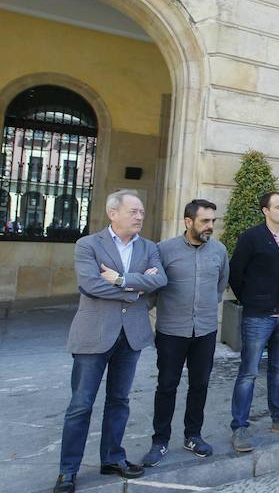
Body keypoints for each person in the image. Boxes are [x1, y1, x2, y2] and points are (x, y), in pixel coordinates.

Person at [54, 190, 167, 493]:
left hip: (131, 336)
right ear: (113, 213)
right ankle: (68, 471)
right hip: (93, 335)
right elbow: (90, 285)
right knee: (81, 405)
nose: (140, 216)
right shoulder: (88, 244)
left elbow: (160, 280)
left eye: (142, 211)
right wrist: (136, 288)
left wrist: (119, 279)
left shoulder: (150, 247)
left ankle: (112, 458)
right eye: (133, 211)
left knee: (119, 401)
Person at [141, 200, 228, 467]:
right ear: (188, 222)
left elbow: (220, 285)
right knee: (167, 386)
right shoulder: (164, 250)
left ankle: (193, 435)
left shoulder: (220, 251)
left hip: (205, 330)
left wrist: (202, 307)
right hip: (171, 331)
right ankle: (160, 441)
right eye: (204, 221)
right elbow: (152, 290)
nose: (210, 226)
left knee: (199, 385)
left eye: (213, 221)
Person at [228, 192, 279, 452]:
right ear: (265, 211)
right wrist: (251, 299)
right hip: (258, 316)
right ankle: (239, 427)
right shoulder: (251, 237)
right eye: (278, 207)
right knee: (248, 372)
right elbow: (236, 272)